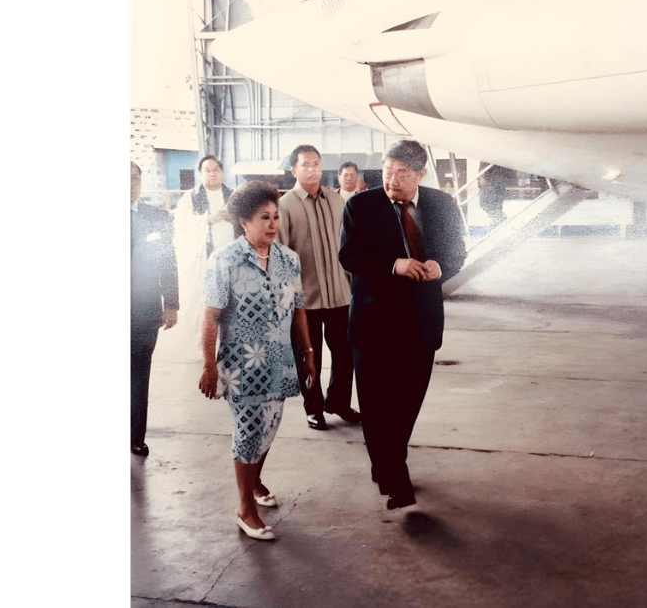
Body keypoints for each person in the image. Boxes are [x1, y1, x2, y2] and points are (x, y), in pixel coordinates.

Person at [339, 140, 466, 510]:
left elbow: (457, 251)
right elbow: (350, 256)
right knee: (376, 406)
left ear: (420, 175)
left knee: (407, 403)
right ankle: (396, 478)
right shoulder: (361, 206)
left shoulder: (442, 204)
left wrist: (441, 266)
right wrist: (394, 265)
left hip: (421, 323)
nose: (392, 180)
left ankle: (387, 463)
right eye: (387, 171)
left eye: (402, 173)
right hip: (374, 324)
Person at [198, 181, 316, 541]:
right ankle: (245, 509)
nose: (273, 223)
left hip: (280, 360)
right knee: (249, 431)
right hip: (241, 365)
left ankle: (254, 480)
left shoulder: (288, 260)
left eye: (275, 216)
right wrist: (208, 365)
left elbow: (299, 310)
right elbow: (210, 317)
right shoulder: (224, 261)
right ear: (243, 222)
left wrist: (308, 353)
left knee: (270, 427)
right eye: (264, 217)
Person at [279, 145, 361, 430]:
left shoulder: (336, 200)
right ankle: (313, 408)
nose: (312, 169)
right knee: (308, 357)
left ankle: (338, 402)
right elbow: (281, 254)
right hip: (305, 300)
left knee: (345, 354)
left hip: (339, 294)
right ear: (294, 170)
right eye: (306, 164)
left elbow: (348, 244)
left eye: (316, 163)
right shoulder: (285, 205)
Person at [131, 162, 179, 457]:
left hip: (145, 310)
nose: (129, 184)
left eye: (134, 178)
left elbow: (167, 263)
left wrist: (171, 303)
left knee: (139, 375)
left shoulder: (157, 218)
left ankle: (135, 435)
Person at [167, 155, 234, 350]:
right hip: (201, 261)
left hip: (229, 260)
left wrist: (232, 217)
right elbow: (182, 225)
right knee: (204, 302)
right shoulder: (190, 198)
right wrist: (208, 219)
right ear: (200, 174)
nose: (212, 174)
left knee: (229, 302)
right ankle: (203, 346)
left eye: (216, 170)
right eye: (207, 170)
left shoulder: (233, 195)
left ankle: (228, 344)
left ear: (221, 172)